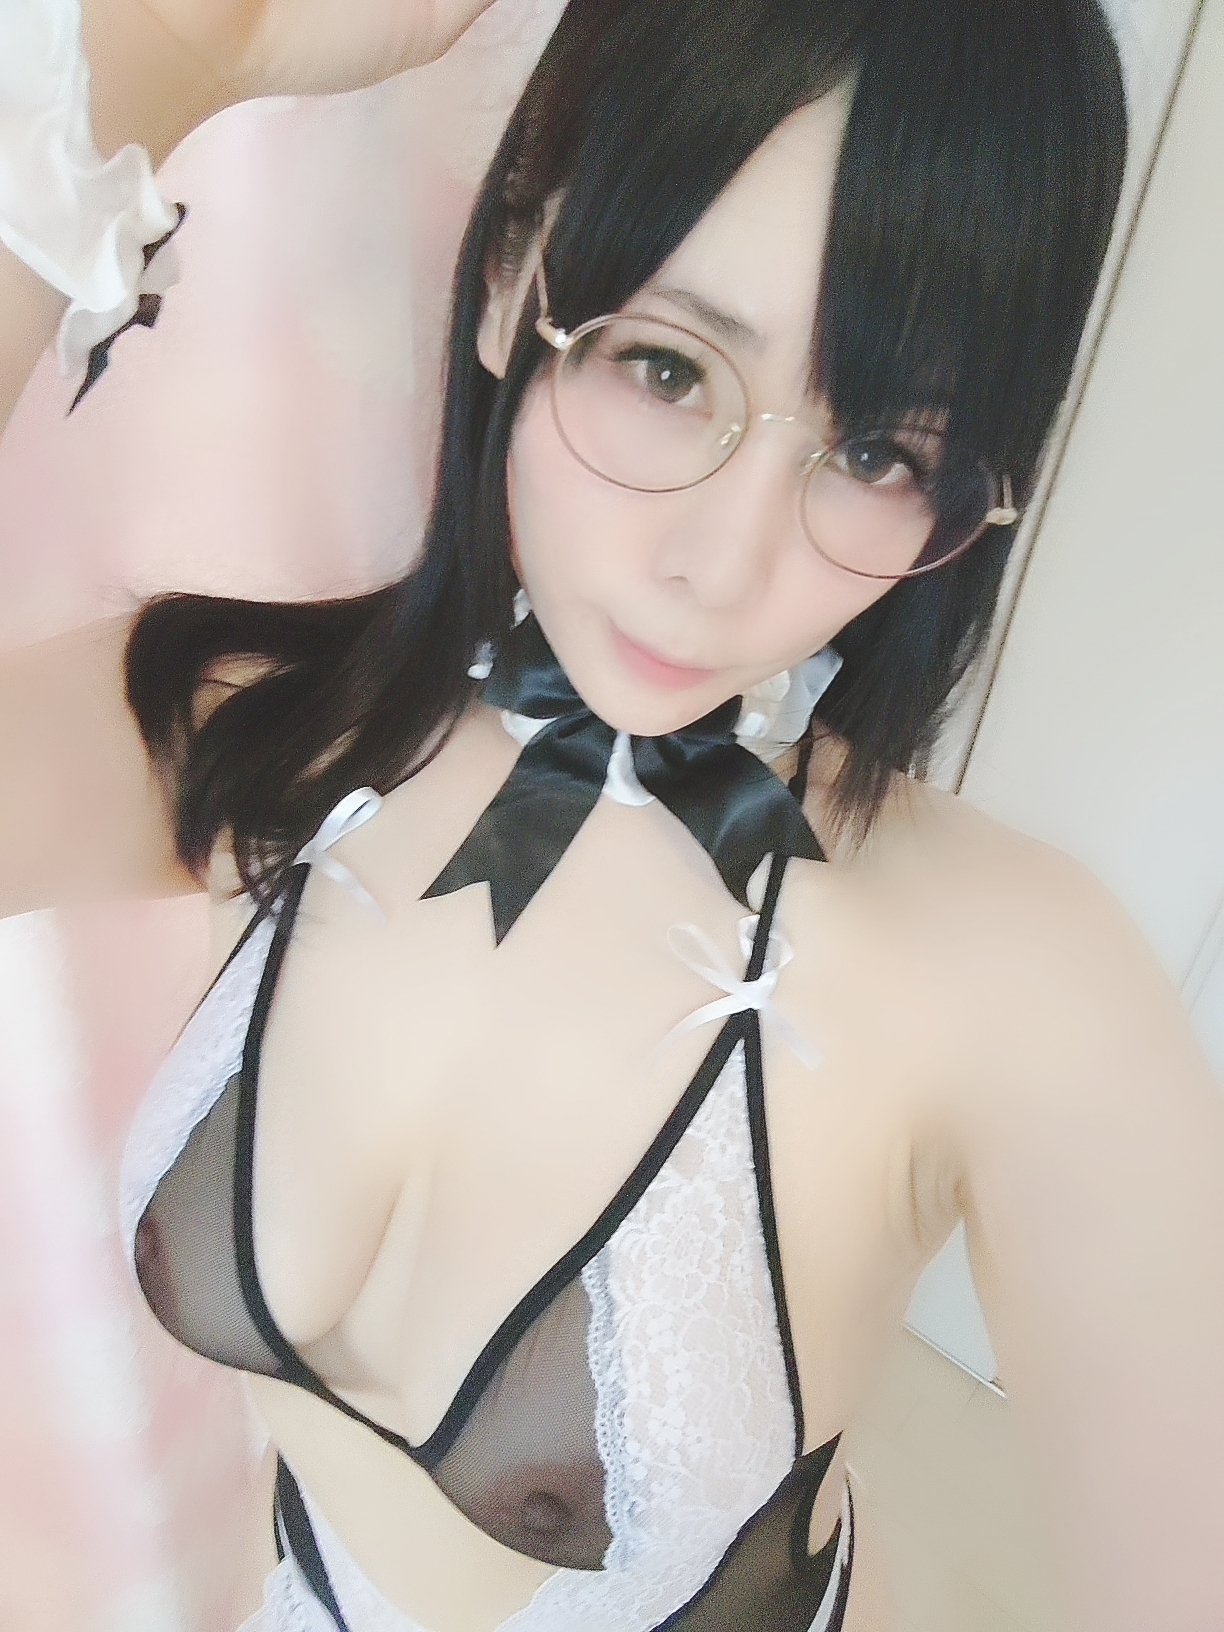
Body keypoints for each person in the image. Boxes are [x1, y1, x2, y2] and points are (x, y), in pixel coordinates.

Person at [3, 1, 1224, 1629]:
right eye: (666, 367)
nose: (723, 564)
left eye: (878, 451)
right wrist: (154, 61)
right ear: (512, 276)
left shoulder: (1022, 982)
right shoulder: (270, 730)